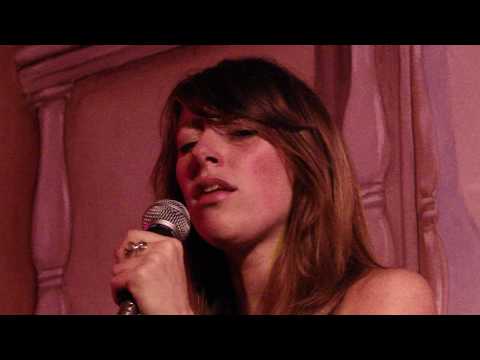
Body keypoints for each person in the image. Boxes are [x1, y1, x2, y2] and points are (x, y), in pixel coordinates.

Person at [111, 57, 436, 315]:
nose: (201, 153)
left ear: (305, 160)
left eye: (240, 133)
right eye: (187, 144)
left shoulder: (388, 298)